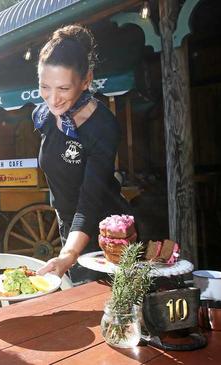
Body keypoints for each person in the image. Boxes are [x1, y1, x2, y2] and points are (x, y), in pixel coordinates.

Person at [33, 25, 130, 284]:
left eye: (63, 89)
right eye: (45, 87)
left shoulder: (102, 126)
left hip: (108, 239)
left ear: (86, 80)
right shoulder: (43, 116)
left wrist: (68, 254)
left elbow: (89, 203)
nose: (52, 99)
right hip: (70, 232)